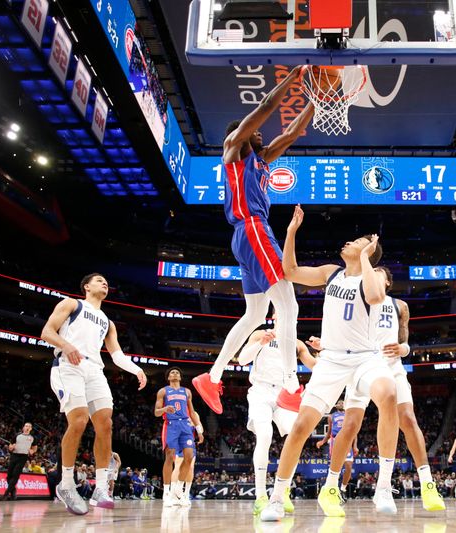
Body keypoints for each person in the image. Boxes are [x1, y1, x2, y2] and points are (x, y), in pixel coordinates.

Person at [260, 205, 398, 521]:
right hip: (331, 360)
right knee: (299, 428)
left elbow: (376, 297)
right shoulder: (330, 272)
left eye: (357, 241)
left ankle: (384, 487)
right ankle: (277, 498)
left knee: (388, 394)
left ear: (368, 249)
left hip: (365, 359)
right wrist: (291, 231)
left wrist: (367, 259)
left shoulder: (373, 275)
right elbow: (290, 271)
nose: (348, 243)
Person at [192, 67, 315, 415]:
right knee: (288, 306)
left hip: (248, 236)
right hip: (253, 231)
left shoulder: (260, 163)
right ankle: (292, 385)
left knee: (256, 313)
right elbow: (264, 105)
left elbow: (290, 134)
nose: (261, 132)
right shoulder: (233, 152)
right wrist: (294, 76)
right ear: (240, 135)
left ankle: (212, 377)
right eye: (254, 130)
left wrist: (318, 100)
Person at [313, 267, 445, 512]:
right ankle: (330, 485)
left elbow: (405, 342)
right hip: (362, 364)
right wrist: (328, 345)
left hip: (391, 367)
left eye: (377, 272)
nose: (370, 274)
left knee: (408, 419)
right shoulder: (357, 295)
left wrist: (403, 350)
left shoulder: (400, 306)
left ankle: (425, 484)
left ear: (387, 282)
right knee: (350, 425)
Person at [42, 273, 147, 514]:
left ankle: (101, 488)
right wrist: (66, 346)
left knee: (106, 424)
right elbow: (47, 332)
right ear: (86, 286)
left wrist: (136, 369)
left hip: (95, 370)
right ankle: (66, 484)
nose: (104, 283)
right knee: (78, 420)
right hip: (69, 364)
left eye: (106, 282)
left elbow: (117, 355)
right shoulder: (72, 304)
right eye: (99, 280)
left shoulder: (107, 322)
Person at [237, 314, 316, 516]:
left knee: (295, 437)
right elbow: (242, 359)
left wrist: (327, 352)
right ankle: (261, 495)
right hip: (261, 391)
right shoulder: (260, 334)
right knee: (264, 436)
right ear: (274, 316)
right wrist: (260, 343)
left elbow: (315, 366)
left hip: (285, 394)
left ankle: (284, 490)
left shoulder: (297, 344)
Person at [156, 367, 202, 508]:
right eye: (172, 373)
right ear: (168, 377)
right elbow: (156, 412)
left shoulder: (186, 392)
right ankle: (167, 493)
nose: (175, 374)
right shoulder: (163, 391)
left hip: (185, 425)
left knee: (189, 457)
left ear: (180, 377)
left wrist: (199, 429)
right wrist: (164, 409)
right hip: (171, 425)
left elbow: (192, 412)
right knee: (170, 457)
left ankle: (179, 490)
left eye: (177, 373)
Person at [316, 400, 357, 501]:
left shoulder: (349, 414)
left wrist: (355, 446)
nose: (341, 404)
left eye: (343, 402)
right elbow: (329, 431)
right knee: (336, 467)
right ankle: (332, 489)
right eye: (339, 402)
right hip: (335, 440)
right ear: (336, 405)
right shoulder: (331, 416)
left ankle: (343, 489)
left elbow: (354, 432)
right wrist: (323, 441)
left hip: (347, 440)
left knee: (348, 465)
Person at [1, 422, 38, 501]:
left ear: (31, 429)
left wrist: (32, 451)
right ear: (23, 428)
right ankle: (13, 491)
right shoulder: (17, 435)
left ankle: (6, 494)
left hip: (23, 457)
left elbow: (35, 447)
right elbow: (10, 445)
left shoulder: (32, 438)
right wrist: (11, 447)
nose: (27, 427)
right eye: (26, 426)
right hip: (14, 455)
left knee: (15, 475)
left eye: (29, 426)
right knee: (8, 476)